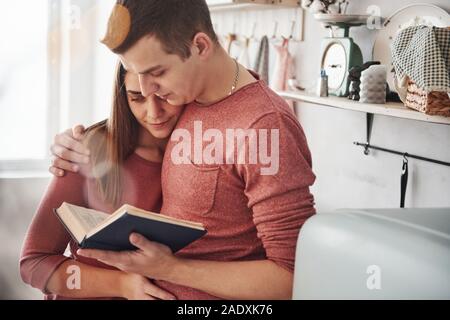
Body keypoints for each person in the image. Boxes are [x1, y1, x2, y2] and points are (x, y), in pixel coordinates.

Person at [48, 0, 316, 300]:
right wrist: (73, 142)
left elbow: (292, 279)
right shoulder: (185, 99)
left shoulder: (265, 126)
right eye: (136, 73)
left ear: (200, 46)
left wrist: (170, 269)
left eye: (156, 72)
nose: (148, 90)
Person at [20, 62, 183, 300]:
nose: (154, 112)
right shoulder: (86, 152)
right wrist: (123, 285)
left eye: (164, 95)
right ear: (122, 96)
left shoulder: (202, 153)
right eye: (137, 97)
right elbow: (34, 263)